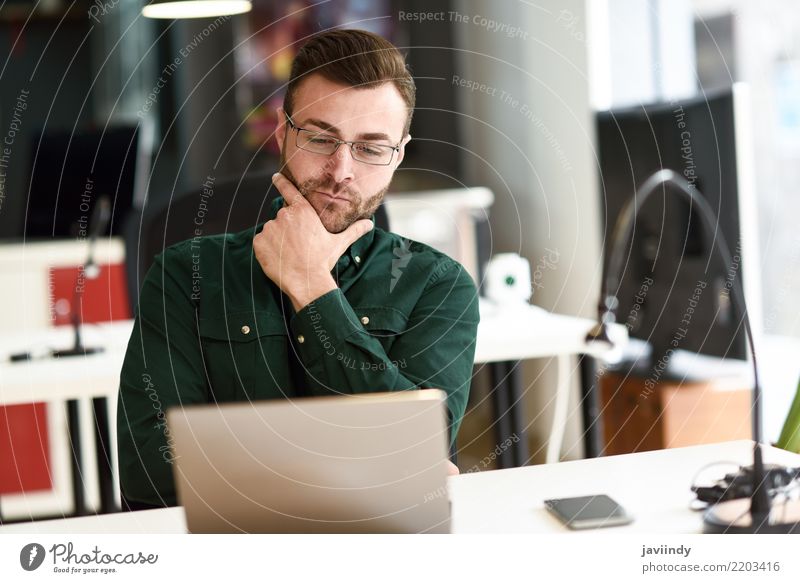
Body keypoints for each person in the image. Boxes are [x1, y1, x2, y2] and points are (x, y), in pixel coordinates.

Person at [117, 29, 480, 508]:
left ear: (399, 155)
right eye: (320, 138)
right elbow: (151, 476)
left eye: (371, 148)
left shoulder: (439, 285)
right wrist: (361, 463)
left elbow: (415, 451)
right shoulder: (185, 276)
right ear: (283, 133)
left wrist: (310, 286)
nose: (341, 170)